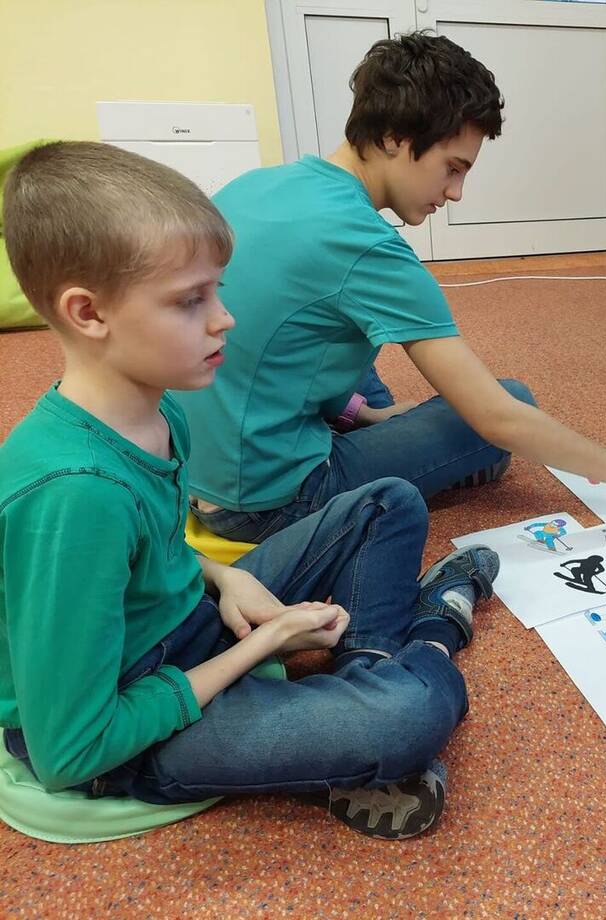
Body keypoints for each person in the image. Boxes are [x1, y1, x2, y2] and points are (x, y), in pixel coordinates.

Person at [0, 141, 500, 840]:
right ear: (88, 313)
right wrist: (263, 642)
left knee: (388, 502)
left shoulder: (159, 409)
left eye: (218, 290)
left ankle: (369, 670)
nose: (223, 318)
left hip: (183, 629)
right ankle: (431, 631)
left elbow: (149, 556)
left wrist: (225, 580)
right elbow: (71, 752)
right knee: (405, 716)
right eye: (190, 301)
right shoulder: (76, 494)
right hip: (128, 729)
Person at [178, 32, 606, 544]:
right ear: (392, 137)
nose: (455, 192)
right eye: (451, 168)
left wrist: (367, 415)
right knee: (509, 402)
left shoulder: (256, 184)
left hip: (192, 467)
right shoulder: (366, 244)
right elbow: (496, 416)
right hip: (268, 504)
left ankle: (361, 419)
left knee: (339, 327)